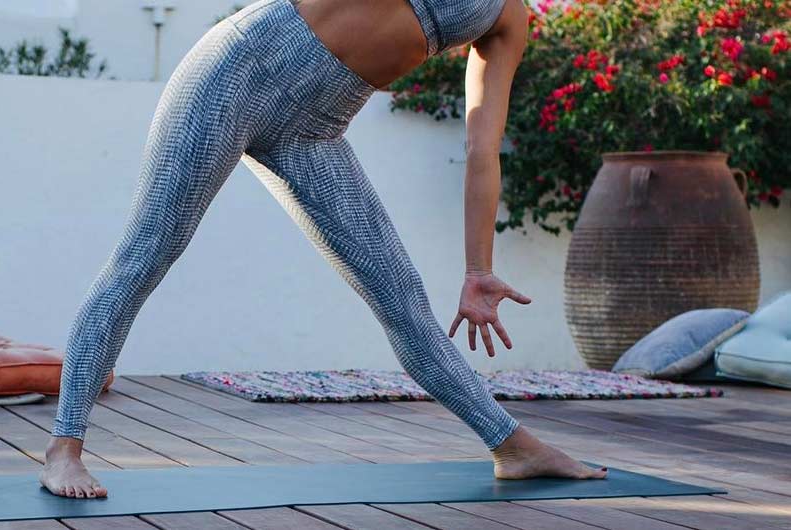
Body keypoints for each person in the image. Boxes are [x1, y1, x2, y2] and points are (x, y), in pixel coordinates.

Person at [39, 0, 609, 499]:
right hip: (238, 69)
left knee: (403, 301)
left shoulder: (508, 16)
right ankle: (64, 447)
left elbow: (482, 148)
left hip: (314, 131)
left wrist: (478, 269)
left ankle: (511, 446)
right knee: (144, 258)